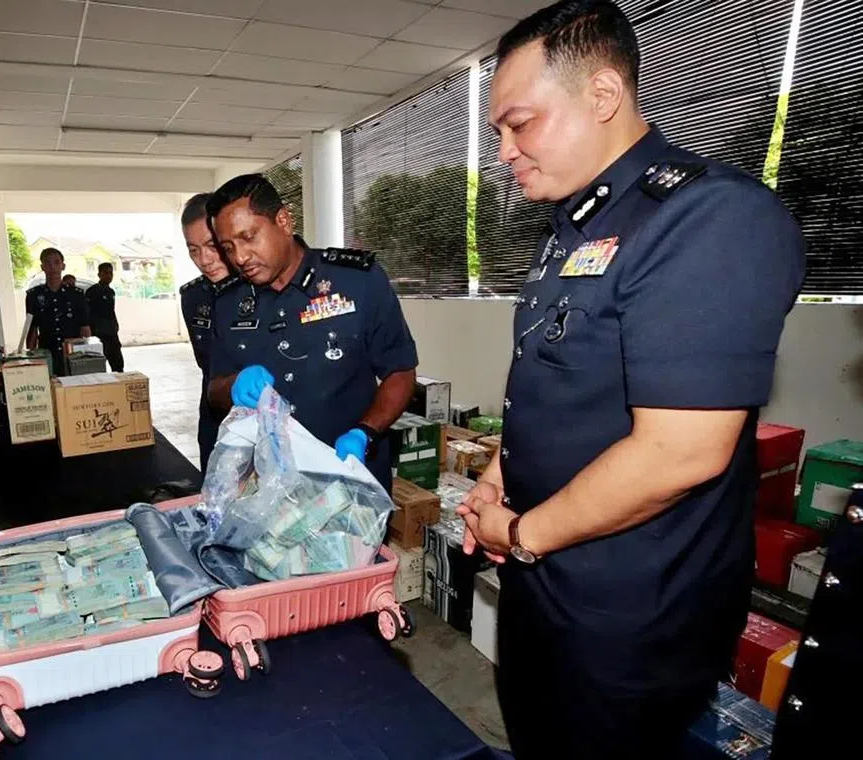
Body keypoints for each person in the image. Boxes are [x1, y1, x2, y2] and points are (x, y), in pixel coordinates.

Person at [452, 3, 807, 758]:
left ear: (604, 97)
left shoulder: (708, 219)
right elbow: (551, 390)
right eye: (499, 134)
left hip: (630, 615)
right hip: (546, 583)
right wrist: (495, 476)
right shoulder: (575, 228)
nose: (506, 151)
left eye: (521, 124)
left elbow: (682, 453)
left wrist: (519, 534)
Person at [205, 175, 418, 492]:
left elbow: (400, 371)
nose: (239, 257)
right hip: (268, 488)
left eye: (248, 237)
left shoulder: (357, 282)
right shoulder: (228, 304)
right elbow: (213, 390)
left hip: (351, 478)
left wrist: (366, 431)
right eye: (228, 247)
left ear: (283, 221)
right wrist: (234, 386)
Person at [178, 193, 236, 473]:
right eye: (193, 250)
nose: (204, 259)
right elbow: (207, 365)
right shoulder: (192, 297)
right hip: (214, 415)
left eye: (212, 246)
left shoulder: (261, 288)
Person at [25, 248, 90, 376]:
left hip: (74, 354)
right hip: (47, 353)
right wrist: (31, 357)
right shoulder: (34, 296)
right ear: (42, 267)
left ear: (63, 266)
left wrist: (88, 354)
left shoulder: (76, 294)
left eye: (56, 262)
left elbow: (85, 327)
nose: (52, 267)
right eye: (48, 263)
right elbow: (32, 329)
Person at [85, 262, 124, 372]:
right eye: (105, 273)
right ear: (99, 274)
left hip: (112, 333)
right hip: (99, 334)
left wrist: (115, 325)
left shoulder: (111, 292)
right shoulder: (92, 292)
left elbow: (111, 311)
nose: (108, 275)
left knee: (118, 365)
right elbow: (87, 314)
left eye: (110, 273)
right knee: (98, 367)